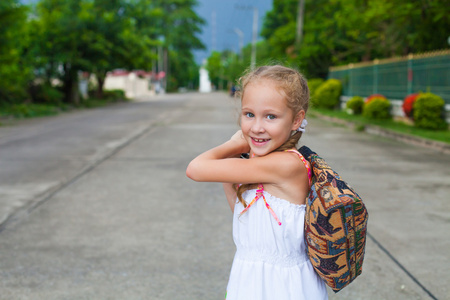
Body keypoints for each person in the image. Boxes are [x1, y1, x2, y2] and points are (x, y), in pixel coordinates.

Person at [186, 65, 328, 300]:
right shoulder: (261, 163)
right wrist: (233, 168)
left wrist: (236, 143)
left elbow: (195, 168)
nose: (257, 127)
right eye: (249, 114)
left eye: (270, 116)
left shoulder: (286, 164)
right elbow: (244, 218)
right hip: (250, 279)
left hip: (284, 288)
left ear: (296, 120)